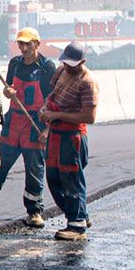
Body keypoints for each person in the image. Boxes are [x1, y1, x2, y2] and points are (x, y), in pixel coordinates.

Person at [0, 27, 58, 226]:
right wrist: (8, 92)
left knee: (34, 169)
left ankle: (34, 211)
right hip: (13, 122)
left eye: (27, 43)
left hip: (35, 125)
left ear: (37, 44)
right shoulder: (14, 64)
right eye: (20, 44)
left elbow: (54, 99)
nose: (23, 48)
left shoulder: (47, 67)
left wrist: (47, 129)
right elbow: (6, 89)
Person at [42, 42, 98, 241]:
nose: (67, 67)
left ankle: (77, 226)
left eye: (71, 64)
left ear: (82, 61)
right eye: (65, 63)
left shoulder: (87, 82)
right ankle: (79, 215)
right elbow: (52, 96)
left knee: (71, 179)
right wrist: (46, 113)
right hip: (56, 133)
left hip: (72, 136)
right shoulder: (60, 72)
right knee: (53, 177)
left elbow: (88, 117)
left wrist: (57, 116)